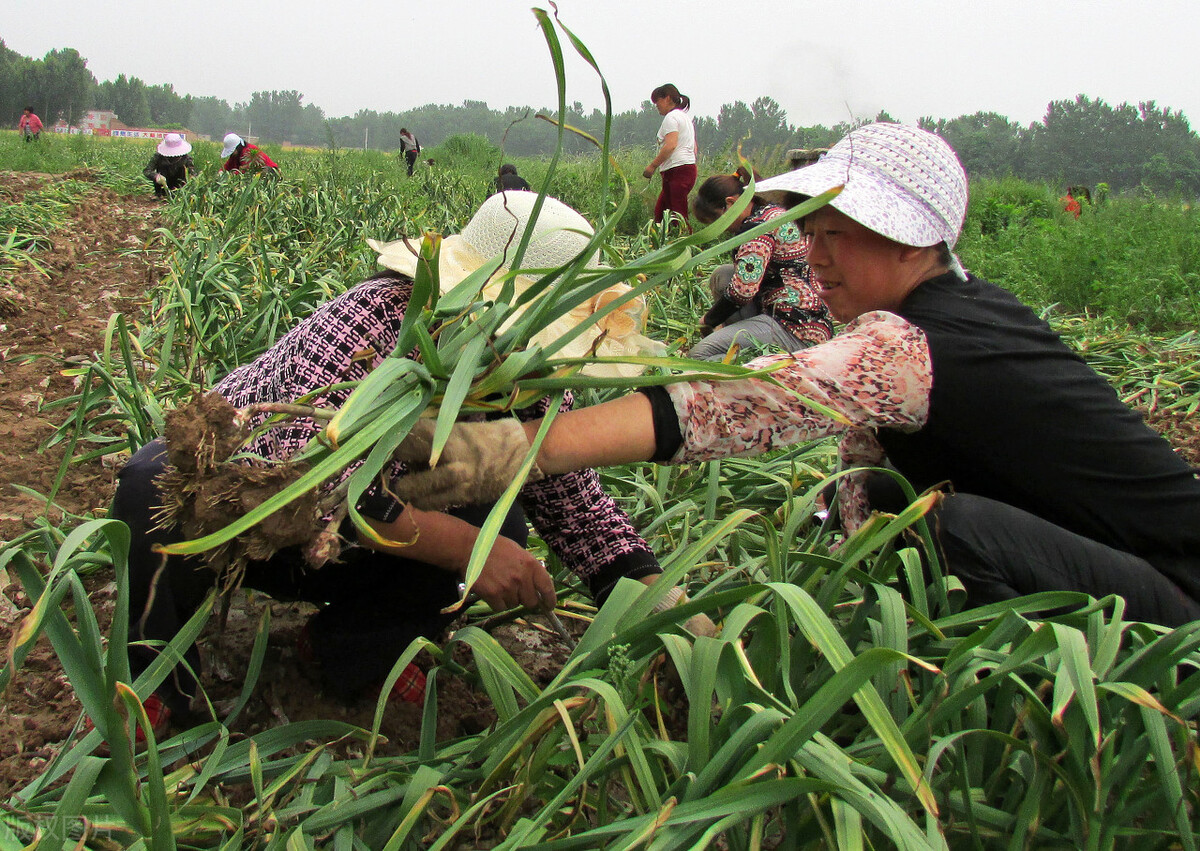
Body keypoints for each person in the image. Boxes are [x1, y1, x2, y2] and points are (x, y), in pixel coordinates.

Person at [394, 123, 1200, 630]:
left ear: (910, 242)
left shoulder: (907, 344)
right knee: (891, 503)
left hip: (1179, 604)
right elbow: (861, 476)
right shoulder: (945, 318)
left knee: (963, 530)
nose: (813, 256)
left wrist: (515, 448)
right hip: (1106, 569)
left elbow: (734, 406)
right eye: (810, 233)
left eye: (835, 235)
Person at [108, 192, 701, 740]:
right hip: (250, 525)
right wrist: (473, 551)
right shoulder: (375, 321)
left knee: (504, 521)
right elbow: (299, 485)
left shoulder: (530, 385)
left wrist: (674, 617)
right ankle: (154, 683)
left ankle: (348, 651)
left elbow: (585, 520)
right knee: (150, 482)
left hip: (358, 550)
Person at [687, 167, 833, 361]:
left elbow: (743, 290)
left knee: (699, 355)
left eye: (717, 221)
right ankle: (744, 339)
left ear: (730, 204)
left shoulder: (756, 230)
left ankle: (764, 364)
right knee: (723, 275)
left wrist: (708, 321)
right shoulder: (770, 211)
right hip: (799, 308)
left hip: (795, 324)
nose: (721, 229)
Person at [642, 84, 697, 231]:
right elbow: (694, 148)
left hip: (677, 171)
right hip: (687, 168)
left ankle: (685, 245)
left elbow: (670, 145)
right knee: (661, 213)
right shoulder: (684, 118)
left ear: (667, 98)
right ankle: (660, 244)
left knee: (678, 216)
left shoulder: (671, 118)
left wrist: (652, 166)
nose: (656, 106)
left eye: (657, 102)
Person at [142, 134, 196, 198]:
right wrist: (156, 176)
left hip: (180, 191)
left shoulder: (186, 159)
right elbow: (147, 171)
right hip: (161, 190)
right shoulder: (158, 157)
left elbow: (192, 175)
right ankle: (160, 195)